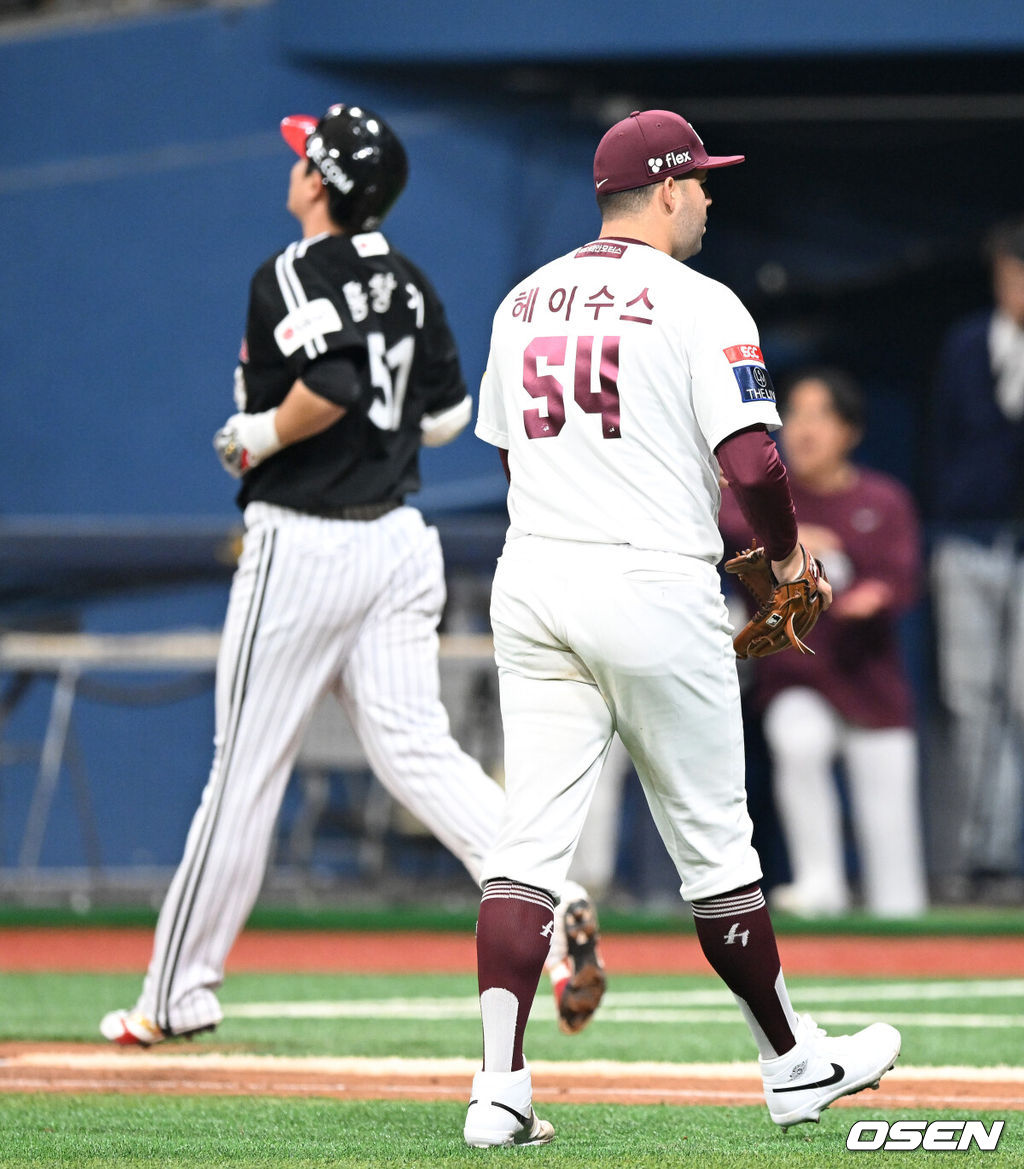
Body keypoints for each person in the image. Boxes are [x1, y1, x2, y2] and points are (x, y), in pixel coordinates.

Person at [99, 103, 605, 1048]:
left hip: (307, 541)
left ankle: (175, 993)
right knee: (420, 752)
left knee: (241, 774)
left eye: (303, 159)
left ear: (321, 183)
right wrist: (383, 418)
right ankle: (557, 892)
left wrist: (255, 433)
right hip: (397, 539)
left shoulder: (290, 271)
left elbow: (328, 387)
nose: (292, 168)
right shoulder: (410, 283)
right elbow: (452, 414)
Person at [461, 109, 901, 1148]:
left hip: (534, 578)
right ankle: (791, 1064)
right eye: (697, 179)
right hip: (651, 581)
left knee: (526, 847)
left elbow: (510, 461)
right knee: (714, 849)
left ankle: (497, 1087)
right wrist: (790, 556)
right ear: (662, 191)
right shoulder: (699, 301)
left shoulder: (521, 300)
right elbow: (753, 462)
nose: (707, 193)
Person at [720, 369, 928, 917]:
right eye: (796, 414)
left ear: (850, 430)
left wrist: (869, 594)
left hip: (870, 686)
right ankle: (820, 884)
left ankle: (901, 927)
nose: (805, 430)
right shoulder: (767, 498)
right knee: (797, 736)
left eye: (821, 417)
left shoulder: (883, 500)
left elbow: (900, 578)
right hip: (799, 678)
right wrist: (787, 536)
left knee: (895, 872)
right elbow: (725, 517)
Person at [928, 217, 1024, 901]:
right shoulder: (966, 343)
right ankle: (980, 857)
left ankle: (1007, 855)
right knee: (969, 700)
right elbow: (941, 441)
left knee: (1020, 702)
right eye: (1009, 274)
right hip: (967, 539)